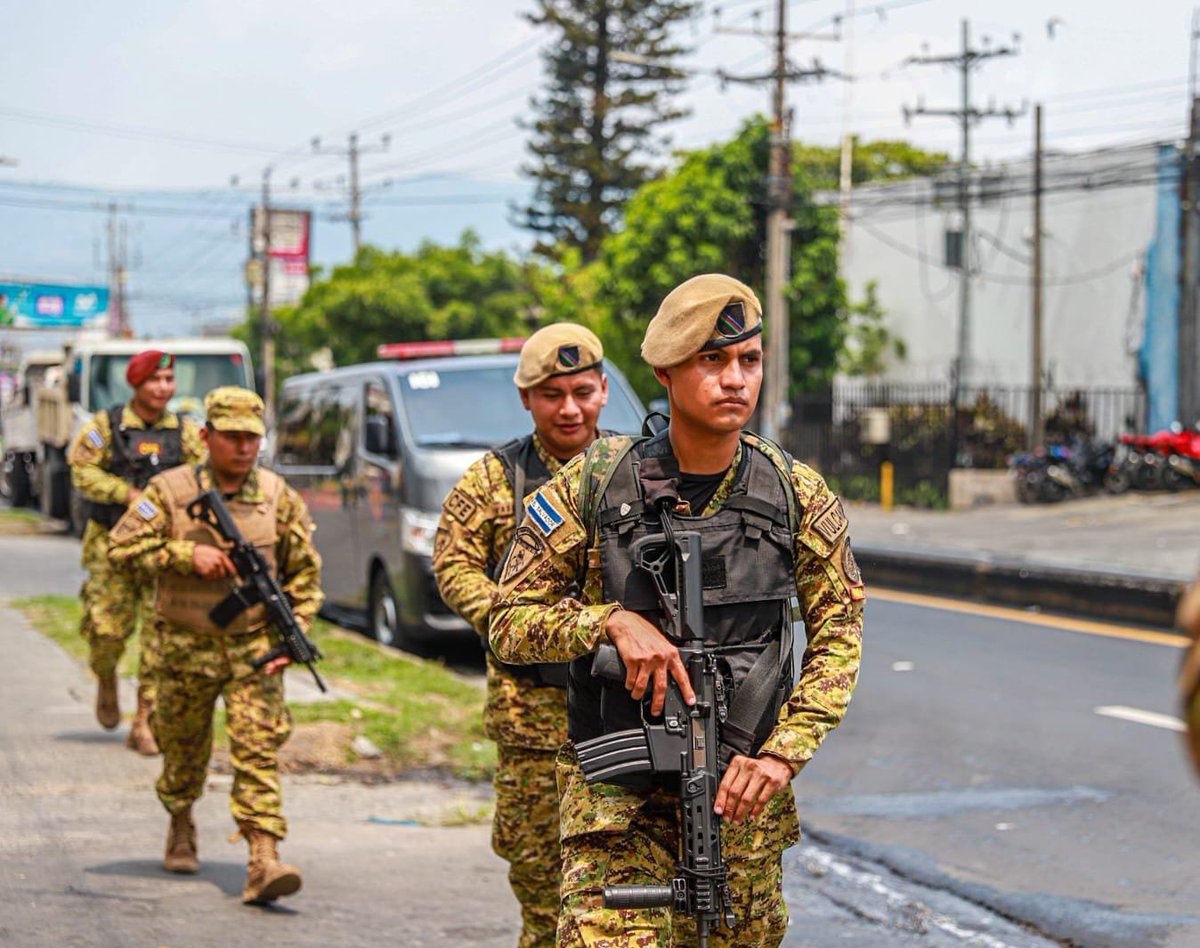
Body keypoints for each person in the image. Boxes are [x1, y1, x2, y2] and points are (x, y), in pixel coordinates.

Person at [489, 274, 865, 947]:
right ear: (666, 371)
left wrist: (783, 755)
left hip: (739, 804)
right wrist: (607, 622)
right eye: (711, 360)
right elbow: (508, 621)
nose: (734, 380)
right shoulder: (597, 482)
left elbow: (840, 633)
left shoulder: (794, 492)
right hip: (617, 811)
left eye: (748, 360)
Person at [107, 386, 322, 905]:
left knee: (257, 752)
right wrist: (186, 555)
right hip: (182, 649)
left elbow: (305, 578)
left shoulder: (277, 496)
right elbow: (120, 547)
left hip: (253, 651)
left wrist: (294, 636)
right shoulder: (170, 491)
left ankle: (263, 857)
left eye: (252, 438)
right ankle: (181, 820)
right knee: (182, 753)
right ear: (206, 437)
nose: (243, 448)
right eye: (231, 437)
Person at [434, 323, 610, 947]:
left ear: (604, 390)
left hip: (621, 716)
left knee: (620, 894)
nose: (569, 408)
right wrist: (511, 620)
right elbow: (452, 561)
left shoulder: (636, 471)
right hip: (532, 718)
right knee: (541, 885)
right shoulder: (494, 478)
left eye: (582, 391)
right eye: (551, 394)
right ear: (526, 400)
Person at [67, 349, 204, 754]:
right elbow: (82, 471)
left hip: (161, 548)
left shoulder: (186, 433)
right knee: (107, 632)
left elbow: (203, 474)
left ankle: (144, 719)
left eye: (169, 380)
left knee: (159, 636)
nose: (163, 388)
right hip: (111, 545)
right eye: (154, 381)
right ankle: (106, 676)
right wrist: (126, 493)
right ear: (137, 384)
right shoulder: (105, 427)